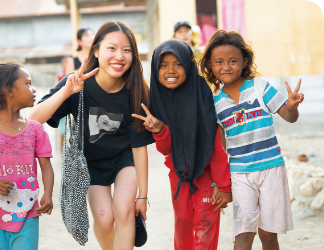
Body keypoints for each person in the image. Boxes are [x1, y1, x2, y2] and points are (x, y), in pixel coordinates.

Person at [29, 21, 154, 250]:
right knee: (105, 218)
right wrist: (67, 91)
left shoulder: (136, 90)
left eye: (127, 50)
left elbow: (139, 146)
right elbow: (33, 119)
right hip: (91, 163)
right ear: (96, 50)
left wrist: (143, 196)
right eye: (112, 48)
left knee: (124, 209)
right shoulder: (77, 82)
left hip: (125, 157)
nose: (119, 56)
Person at [198, 30, 304, 250]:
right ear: (210, 65)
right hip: (239, 175)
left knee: (268, 235)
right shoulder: (216, 103)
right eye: (219, 62)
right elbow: (220, 147)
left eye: (233, 61)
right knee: (243, 234)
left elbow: (289, 117)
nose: (226, 67)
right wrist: (220, 182)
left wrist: (292, 108)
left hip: (271, 170)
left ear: (244, 61)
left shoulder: (261, 88)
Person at [132, 39, 232, 250]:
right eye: (163, 64)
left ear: (188, 65)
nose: (171, 70)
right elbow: (167, 150)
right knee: (182, 223)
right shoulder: (158, 100)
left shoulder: (200, 94)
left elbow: (214, 144)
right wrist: (160, 129)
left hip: (207, 177)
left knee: (205, 226)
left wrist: (223, 185)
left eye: (177, 64)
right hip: (178, 176)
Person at [0, 61, 54, 249]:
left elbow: (46, 166)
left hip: (28, 215)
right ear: (9, 90)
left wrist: (48, 193)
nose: (34, 89)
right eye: (28, 83)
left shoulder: (36, 130)